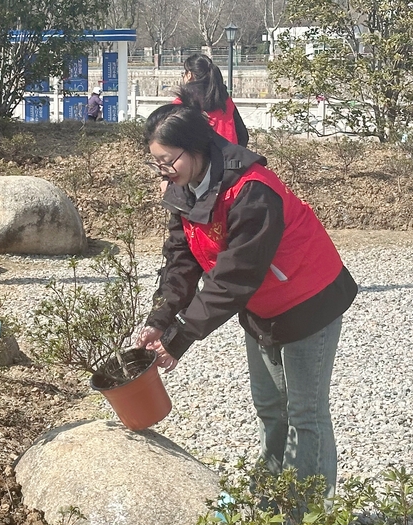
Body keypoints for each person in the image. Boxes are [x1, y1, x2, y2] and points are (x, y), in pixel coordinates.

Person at [136, 103, 357, 500]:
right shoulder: (183, 187)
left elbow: (236, 275)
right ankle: (270, 498)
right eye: (157, 163)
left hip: (309, 301)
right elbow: (181, 258)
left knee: (305, 413)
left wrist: (181, 337)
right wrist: (160, 317)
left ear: (196, 147)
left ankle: (309, 515)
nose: (163, 172)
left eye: (168, 161)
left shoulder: (253, 189)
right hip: (260, 307)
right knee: (270, 406)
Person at [173, 53, 248, 147]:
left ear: (189, 75)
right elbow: (243, 136)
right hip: (229, 154)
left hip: (198, 155)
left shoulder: (182, 103)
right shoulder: (225, 101)